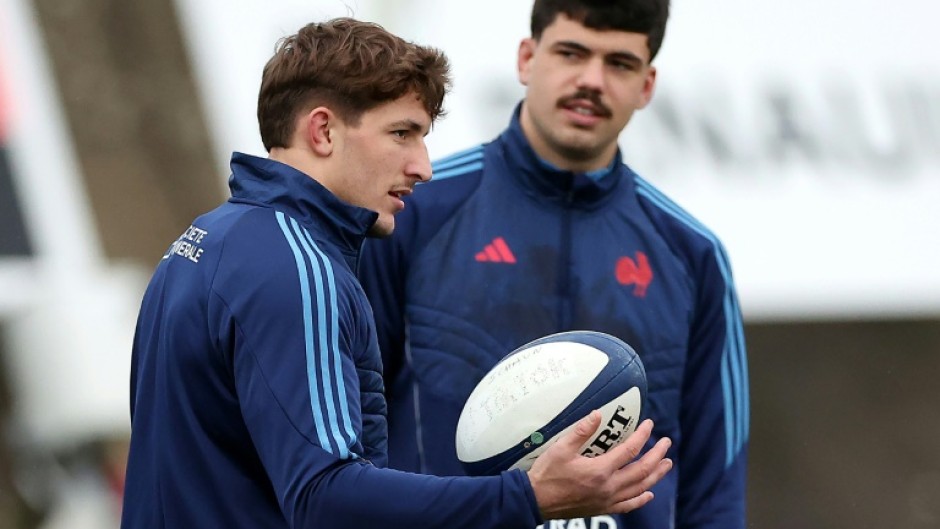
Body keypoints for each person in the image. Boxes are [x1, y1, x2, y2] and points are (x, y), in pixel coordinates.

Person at [120, 17, 673, 529]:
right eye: (402, 133)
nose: (422, 167)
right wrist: (527, 497)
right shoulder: (299, 271)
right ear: (323, 131)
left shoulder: (206, 241)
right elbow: (324, 497)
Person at [358, 1, 749, 528]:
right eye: (571, 53)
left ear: (647, 85)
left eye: (620, 64)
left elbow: (715, 489)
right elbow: (348, 437)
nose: (592, 81)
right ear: (526, 58)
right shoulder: (412, 214)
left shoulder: (692, 254)